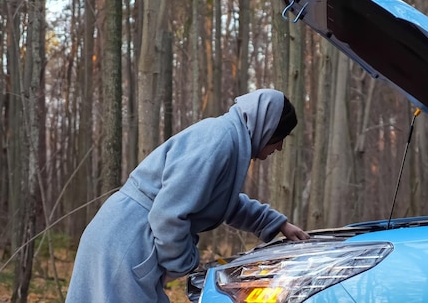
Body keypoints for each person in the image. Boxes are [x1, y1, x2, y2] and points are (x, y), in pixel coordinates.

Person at [66, 89, 309, 302]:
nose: (279, 147)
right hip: (127, 240)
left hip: (125, 235)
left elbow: (224, 203)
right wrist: (185, 264)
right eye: (280, 138)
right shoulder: (219, 140)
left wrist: (277, 223)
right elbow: (167, 214)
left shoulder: (229, 141)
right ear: (266, 127)